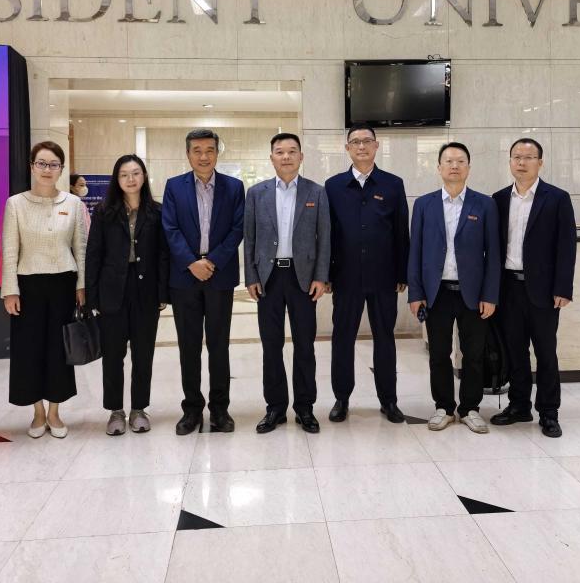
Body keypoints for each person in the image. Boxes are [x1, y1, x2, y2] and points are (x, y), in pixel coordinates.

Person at [407, 142, 499, 434]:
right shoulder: (424, 204)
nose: (454, 165)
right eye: (448, 161)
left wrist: (490, 295)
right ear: (439, 168)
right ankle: (444, 407)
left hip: (473, 293)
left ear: (469, 168)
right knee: (439, 354)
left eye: (460, 161)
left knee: (473, 355)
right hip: (437, 293)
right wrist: (415, 293)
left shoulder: (484, 204)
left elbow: (493, 254)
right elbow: (415, 251)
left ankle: (470, 408)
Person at [244, 134, 330, 434]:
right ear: (271, 158)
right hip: (268, 278)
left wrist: (321, 276)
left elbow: (325, 238)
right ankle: (275, 408)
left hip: (302, 278)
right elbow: (249, 238)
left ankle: (305, 407)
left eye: (292, 151)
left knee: (304, 344)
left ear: (301, 157)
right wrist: (251, 277)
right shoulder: (257, 193)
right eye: (280, 152)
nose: (286, 157)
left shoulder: (316, 192)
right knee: (271, 345)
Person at [491, 138, 576, 438]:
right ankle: (519, 406)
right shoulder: (498, 199)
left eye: (528, 157)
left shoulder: (557, 198)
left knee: (546, 352)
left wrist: (563, 287)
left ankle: (549, 412)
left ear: (540, 162)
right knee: (515, 351)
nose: (522, 162)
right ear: (510, 162)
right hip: (508, 288)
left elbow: (567, 246)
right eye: (516, 157)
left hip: (544, 290)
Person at [162, 128, 245, 435]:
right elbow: (170, 229)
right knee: (189, 346)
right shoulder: (174, 186)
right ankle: (192, 409)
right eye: (197, 150)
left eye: (209, 150)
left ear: (217, 153)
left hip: (219, 275)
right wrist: (191, 262)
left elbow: (238, 228)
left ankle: (220, 410)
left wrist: (212, 261)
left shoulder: (234, 187)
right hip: (185, 277)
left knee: (219, 346)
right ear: (188, 154)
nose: (203, 156)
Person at [324, 124, 409, 424]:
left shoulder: (393, 184)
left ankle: (389, 400)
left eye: (367, 141)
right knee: (342, 338)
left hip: (383, 276)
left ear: (376, 146)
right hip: (345, 276)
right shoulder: (333, 186)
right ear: (347, 148)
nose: (361, 146)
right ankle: (341, 399)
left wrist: (402, 272)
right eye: (355, 142)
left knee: (385, 338)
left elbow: (401, 231)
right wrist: (327, 273)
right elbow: (327, 233)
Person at [2, 141, 86, 439]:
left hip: (64, 284)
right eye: (41, 163)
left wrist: (82, 285)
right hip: (28, 287)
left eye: (53, 164)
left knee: (59, 350)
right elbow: (9, 250)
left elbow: (80, 248)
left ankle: (55, 412)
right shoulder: (16, 203)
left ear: (61, 169)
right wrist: (10, 290)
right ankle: (37, 412)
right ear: (32, 167)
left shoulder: (73, 204)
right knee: (29, 350)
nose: (47, 169)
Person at [86, 155, 169, 435]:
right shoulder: (104, 211)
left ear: (144, 176)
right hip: (112, 290)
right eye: (124, 174)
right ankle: (116, 412)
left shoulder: (157, 212)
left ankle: (139, 409)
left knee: (143, 354)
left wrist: (162, 292)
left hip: (146, 289)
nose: (130, 179)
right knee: (113, 355)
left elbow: (163, 255)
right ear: (117, 179)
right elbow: (93, 254)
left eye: (135, 173)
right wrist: (93, 297)